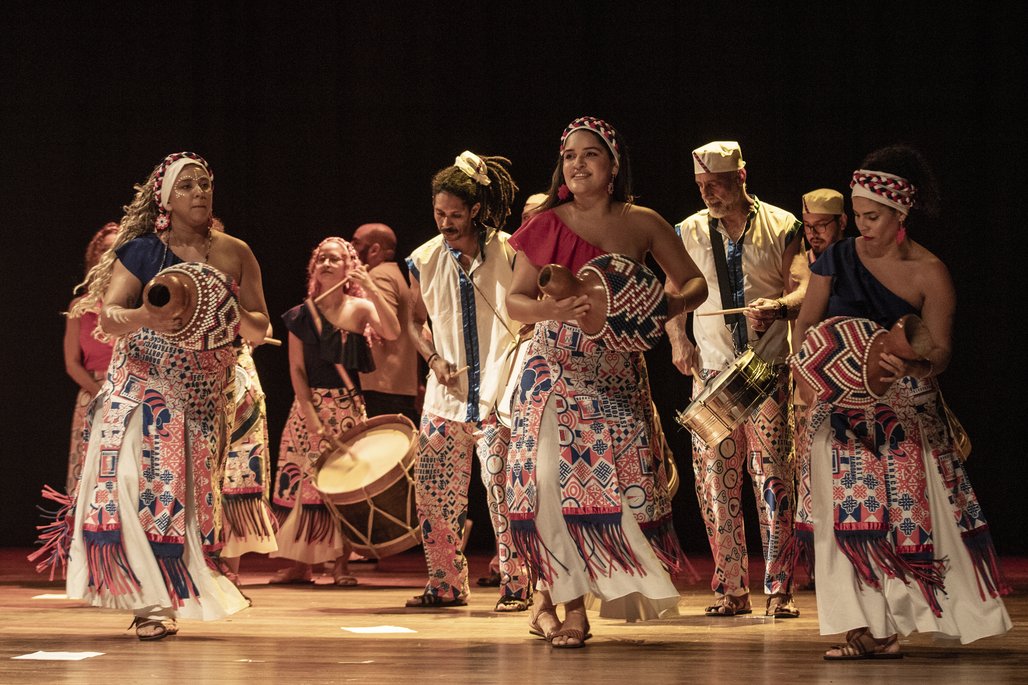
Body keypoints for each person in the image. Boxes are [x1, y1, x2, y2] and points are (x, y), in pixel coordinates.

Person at [34, 152, 270, 640]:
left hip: (202, 392)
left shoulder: (235, 252)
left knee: (178, 495)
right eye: (187, 186)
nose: (199, 192)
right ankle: (149, 605)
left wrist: (231, 313)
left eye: (204, 184)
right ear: (165, 200)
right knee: (126, 481)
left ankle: (168, 594)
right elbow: (109, 317)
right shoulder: (142, 251)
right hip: (140, 383)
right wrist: (146, 316)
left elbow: (260, 322)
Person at [792, 145, 1011, 659]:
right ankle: (867, 629)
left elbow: (939, 353)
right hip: (838, 405)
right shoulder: (836, 258)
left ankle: (916, 618)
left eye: (872, 216)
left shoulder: (930, 272)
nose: (861, 226)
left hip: (905, 411)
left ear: (900, 215)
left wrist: (911, 365)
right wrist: (808, 374)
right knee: (849, 518)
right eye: (859, 214)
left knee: (913, 516)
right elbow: (806, 323)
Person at [506, 116, 707, 648]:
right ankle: (568, 605)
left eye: (590, 154)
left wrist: (665, 305)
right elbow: (515, 300)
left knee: (602, 495)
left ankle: (550, 599)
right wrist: (552, 309)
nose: (577, 164)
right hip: (551, 371)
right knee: (547, 481)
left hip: (613, 377)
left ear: (613, 166)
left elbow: (694, 281)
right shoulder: (547, 224)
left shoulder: (642, 222)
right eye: (569, 155)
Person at [667, 140, 807, 618]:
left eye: (718, 185)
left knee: (772, 479)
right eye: (702, 186)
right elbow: (674, 295)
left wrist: (781, 307)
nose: (709, 194)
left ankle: (779, 589)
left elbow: (804, 286)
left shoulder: (783, 225)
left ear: (742, 178)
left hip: (764, 369)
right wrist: (677, 339)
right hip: (711, 370)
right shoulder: (687, 231)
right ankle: (730, 588)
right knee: (715, 482)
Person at [404, 150, 531, 612]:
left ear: (475, 211)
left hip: (498, 395)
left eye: (455, 214)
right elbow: (416, 322)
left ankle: (517, 584)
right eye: (439, 214)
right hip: (445, 398)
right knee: (434, 495)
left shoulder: (512, 251)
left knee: (502, 492)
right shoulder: (424, 259)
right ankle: (445, 584)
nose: (445, 223)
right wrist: (433, 356)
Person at [270, 237, 399, 585]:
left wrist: (371, 287)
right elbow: (297, 369)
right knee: (302, 486)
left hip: (345, 406)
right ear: (314, 269)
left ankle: (340, 564)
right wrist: (310, 415)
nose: (327, 263)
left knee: (343, 486)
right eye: (321, 259)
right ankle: (300, 564)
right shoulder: (301, 315)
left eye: (335, 259)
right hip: (307, 407)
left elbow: (392, 329)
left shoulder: (359, 308)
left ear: (348, 267)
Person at [210, 218, 278, 585]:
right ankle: (197, 567)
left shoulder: (236, 261)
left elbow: (262, 327)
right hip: (191, 380)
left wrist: (227, 305)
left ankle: (229, 576)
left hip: (236, 378)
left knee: (236, 476)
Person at [790, 188, 848, 589]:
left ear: (842, 222)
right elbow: (800, 315)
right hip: (812, 380)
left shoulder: (853, 260)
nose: (813, 234)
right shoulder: (800, 259)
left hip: (853, 378)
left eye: (821, 225)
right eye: (808, 226)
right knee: (808, 475)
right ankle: (818, 565)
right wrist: (803, 379)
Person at [63, 222, 118, 494]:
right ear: (95, 256)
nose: (110, 255)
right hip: (92, 393)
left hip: (130, 393)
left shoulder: (136, 304)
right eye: (106, 249)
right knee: (90, 471)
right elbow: (72, 362)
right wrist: (100, 393)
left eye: (117, 249)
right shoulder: (80, 307)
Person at [350, 223, 419, 424]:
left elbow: (384, 326)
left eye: (355, 243)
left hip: (382, 385)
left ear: (374, 249)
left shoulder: (378, 276)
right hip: (396, 385)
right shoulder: (395, 274)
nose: (350, 249)